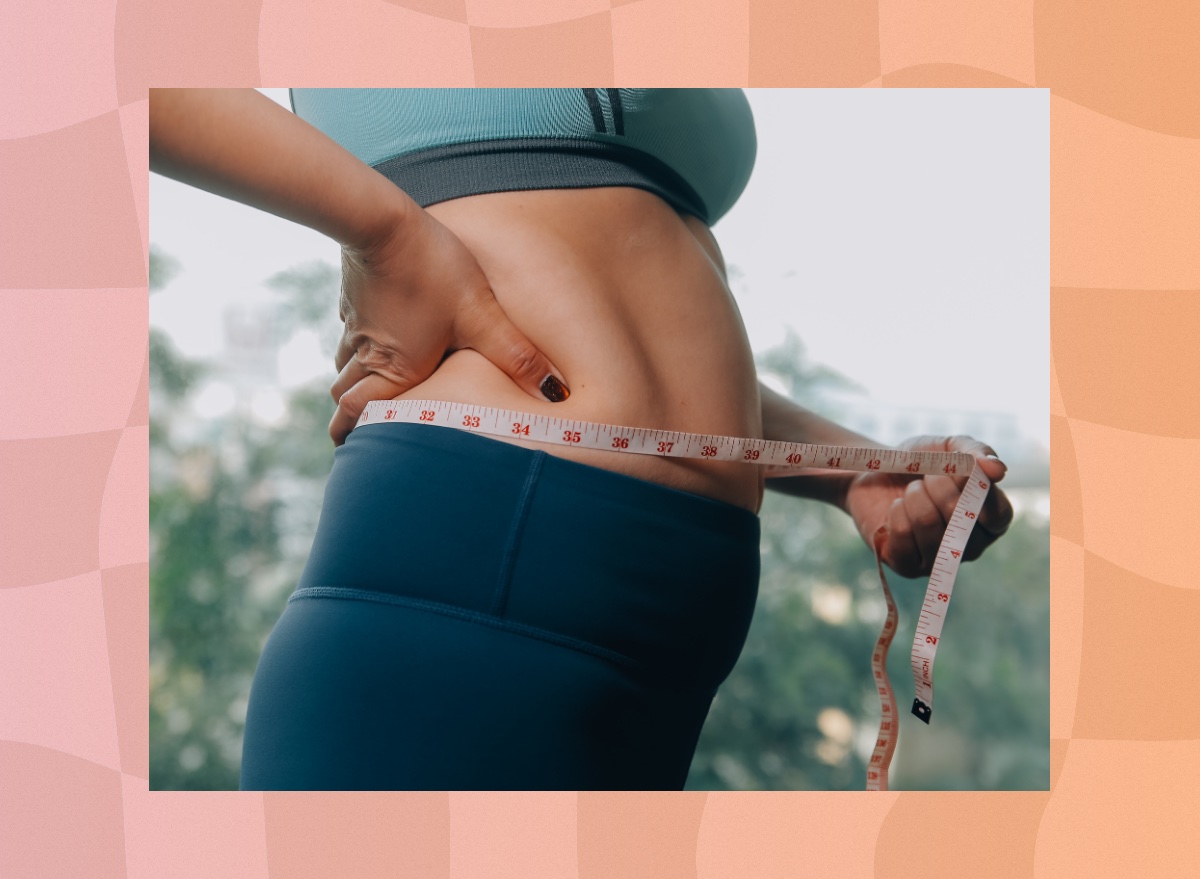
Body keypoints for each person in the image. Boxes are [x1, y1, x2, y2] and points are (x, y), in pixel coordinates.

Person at [149, 88, 1013, 791]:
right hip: (474, 554)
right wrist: (389, 232)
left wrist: (844, 470)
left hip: (670, 623)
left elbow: (617, 308)